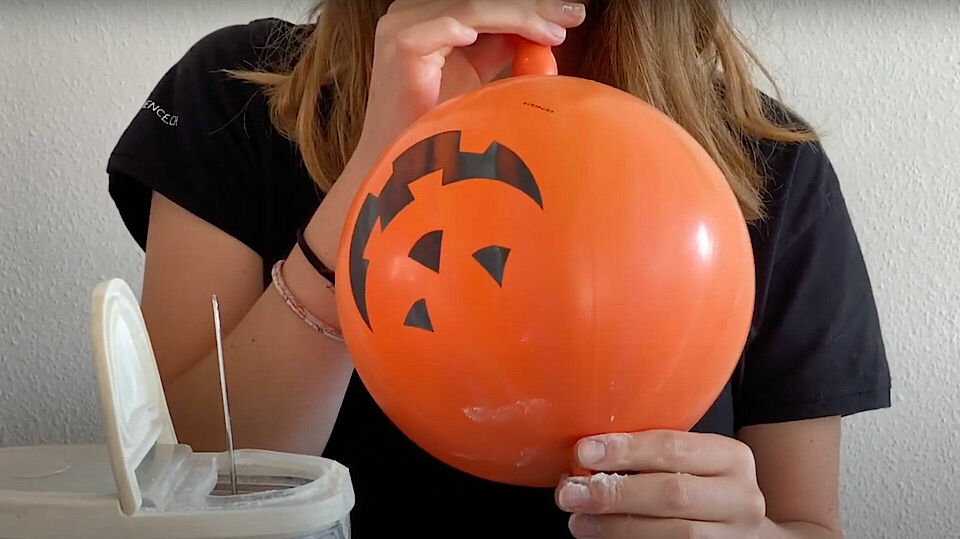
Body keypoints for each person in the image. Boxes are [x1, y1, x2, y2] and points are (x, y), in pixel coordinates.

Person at [106, 1, 890, 537]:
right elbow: (185, 487)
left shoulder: (765, 164)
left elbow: (805, 522)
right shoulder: (238, 95)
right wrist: (377, 172)